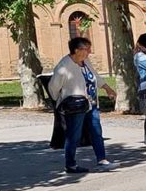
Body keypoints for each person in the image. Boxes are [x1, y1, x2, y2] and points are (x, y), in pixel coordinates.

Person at [48, 37, 118, 174]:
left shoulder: (85, 62)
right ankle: (71, 164)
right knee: (73, 135)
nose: (89, 52)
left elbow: (95, 76)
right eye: (86, 49)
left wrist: (107, 88)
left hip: (91, 104)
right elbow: (53, 87)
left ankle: (102, 160)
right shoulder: (64, 66)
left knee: (96, 132)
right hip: (75, 106)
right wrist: (61, 100)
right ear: (76, 50)